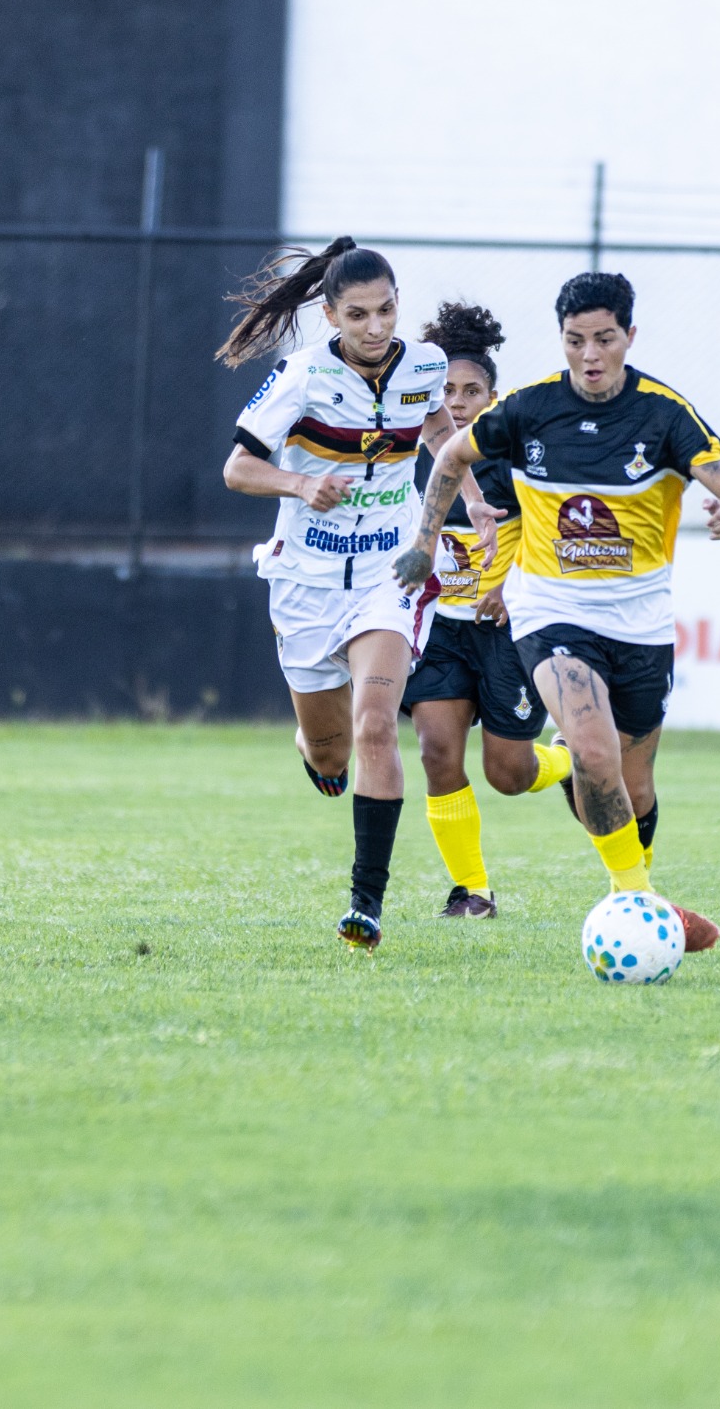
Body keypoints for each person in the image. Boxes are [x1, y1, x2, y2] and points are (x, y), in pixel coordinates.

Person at [402, 270, 720, 953]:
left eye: (603, 339)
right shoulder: (532, 409)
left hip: (640, 621)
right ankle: (638, 908)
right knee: (592, 755)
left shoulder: (663, 413)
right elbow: (450, 455)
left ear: (629, 336)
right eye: (575, 341)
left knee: (634, 782)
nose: (589, 354)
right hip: (551, 611)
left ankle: (638, 889)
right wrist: (424, 543)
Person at [218, 237, 490, 950]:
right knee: (333, 752)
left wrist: (480, 502)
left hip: (385, 575)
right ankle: (314, 750)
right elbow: (238, 468)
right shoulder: (301, 376)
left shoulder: (425, 365)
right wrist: (302, 483)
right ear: (333, 316)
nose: (377, 326)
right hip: (304, 582)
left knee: (377, 725)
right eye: (360, 314)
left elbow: (438, 429)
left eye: (388, 309)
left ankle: (365, 906)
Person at [398, 303, 575, 919]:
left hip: (503, 630)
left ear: (493, 397)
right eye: (446, 390)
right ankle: (472, 890)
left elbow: (552, 528)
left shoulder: (514, 457)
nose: (459, 400)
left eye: (472, 390)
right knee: (436, 752)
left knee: (508, 772)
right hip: (438, 632)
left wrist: (515, 583)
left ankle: (569, 761)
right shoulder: (408, 455)